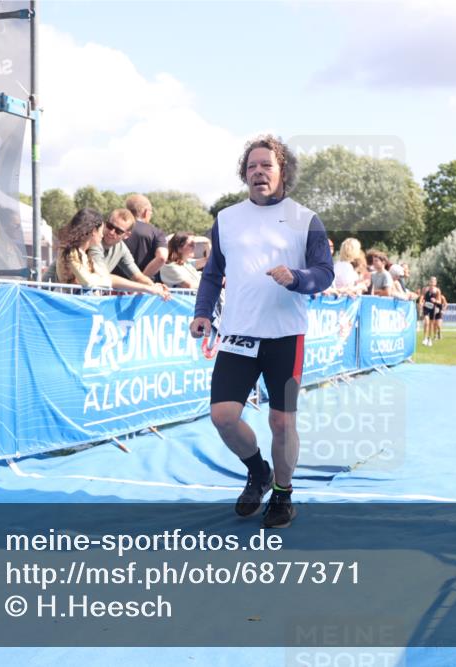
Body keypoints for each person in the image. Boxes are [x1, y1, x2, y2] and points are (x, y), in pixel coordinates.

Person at [190, 135, 333, 529]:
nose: (258, 172)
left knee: (282, 423)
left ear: (283, 171)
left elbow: (325, 273)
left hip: (286, 337)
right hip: (238, 335)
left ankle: (283, 494)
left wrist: (297, 277)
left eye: (266, 165)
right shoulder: (226, 219)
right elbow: (212, 274)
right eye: (251, 166)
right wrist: (203, 313)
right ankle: (258, 471)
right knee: (223, 417)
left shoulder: (306, 219)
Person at [92, 208, 170, 297]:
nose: (111, 232)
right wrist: (147, 288)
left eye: (118, 231)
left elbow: (138, 276)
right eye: (110, 226)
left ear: (126, 235)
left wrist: (154, 286)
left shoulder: (121, 248)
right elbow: (104, 276)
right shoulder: (94, 241)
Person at [55, 209, 112, 288]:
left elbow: (108, 281)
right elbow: (87, 282)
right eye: (101, 231)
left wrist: (92, 278)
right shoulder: (70, 252)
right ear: (94, 231)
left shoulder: (85, 254)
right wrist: (96, 278)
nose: (102, 235)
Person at [123, 194, 168, 280]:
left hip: (114, 284)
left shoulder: (115, 230)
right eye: (151, 212)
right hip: (145, 287)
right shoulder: (156, 232)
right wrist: (141, 280)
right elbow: (162, 257)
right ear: (146, 212)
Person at [419, 276, 439, 346]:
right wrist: (420, 302)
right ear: (429, 282)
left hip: (433, 308)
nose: (432, 282)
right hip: (426, 307)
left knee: (431, 324)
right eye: (431, 281)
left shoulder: (437, 290)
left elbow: (439, 301)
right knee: (426, 322)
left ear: (435, 283)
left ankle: (429, 338)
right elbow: (422, 297)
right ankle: (425, 338)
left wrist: (435, 300)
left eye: (433, 281)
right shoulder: (425, 289)